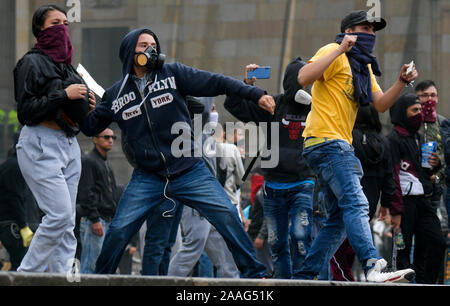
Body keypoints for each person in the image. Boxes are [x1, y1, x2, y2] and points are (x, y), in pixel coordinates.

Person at [81, 27, 275, 278]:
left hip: (188, 169)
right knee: (119, 230)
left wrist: (254, 93)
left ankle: (254, 274)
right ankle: (99, 279)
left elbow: (216, 81)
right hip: (148, 177)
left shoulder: (173, 74)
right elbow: (90, 127)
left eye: (154, 45)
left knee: (226, 214)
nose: (150, 50)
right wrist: (80, 103)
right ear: (130, 52)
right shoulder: (115, 94)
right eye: (143, 45)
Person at [295, 10, 418, 282]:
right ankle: (372, 264)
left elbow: (381, 104)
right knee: (356, 201)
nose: (371, 34)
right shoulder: (333, 51)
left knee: (338, 221)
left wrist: (402, 81)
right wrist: (339, 49)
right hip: (328, 142)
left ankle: (303, 276)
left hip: (333, 144)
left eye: (374, 31)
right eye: (366, 28)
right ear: (349, 31)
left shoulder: (363, 67)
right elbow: (303, 77)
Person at [13, 4, 95, 273]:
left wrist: (87, 106)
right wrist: (64, 95)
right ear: (40, 30)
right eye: (54, 23)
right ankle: (27, 274)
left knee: (67, 222)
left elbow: (78, 113)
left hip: (69, 144)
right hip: (40, 142)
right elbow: (25, 111)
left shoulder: (69, 69)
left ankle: (61, 277)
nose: (62, 28)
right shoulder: (30, 62)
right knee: (59, 215)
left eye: (65, 22)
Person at [224, 57, 315, 279]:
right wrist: (247, 85)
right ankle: (283, 282)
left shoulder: (317, 106)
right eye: (302, 79)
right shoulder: (274, 104)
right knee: (277, 243)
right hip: (273, 186)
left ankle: (301, 283)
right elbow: (235, 106)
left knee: (301, 237)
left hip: (303, 183)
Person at [168, 99, 240, 278]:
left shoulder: (206, 137)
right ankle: (168, 282)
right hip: (196, 202)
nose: (215, 113)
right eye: (212, 109)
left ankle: (232, 286)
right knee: (193, 246)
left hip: (210, 200)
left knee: (225, 256)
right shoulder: (192, 133)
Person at [329, 104, 396, 281]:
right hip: (371, 201)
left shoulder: (347, 138)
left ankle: (344, 279)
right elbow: (389, 176)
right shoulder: (384, 142)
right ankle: (350, 275)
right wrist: (386, 203)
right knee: (354, 242)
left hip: (346, 198)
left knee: (338, 247)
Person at [387, 93, 447, 284]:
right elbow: (392, 177)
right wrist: (395, 210)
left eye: (421, 110)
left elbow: (421, 170)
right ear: (402, 113)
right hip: (403, 205)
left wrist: (435, 165)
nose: (419, 114)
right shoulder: (393, 139)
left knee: (436, 242)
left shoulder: (419, 138)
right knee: (403, 255)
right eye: (414, 110)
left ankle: (426, 283)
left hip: (423, 201)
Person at [77, 128, 118, 274]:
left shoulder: (105, 162)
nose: (111, 140)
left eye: (113, 137)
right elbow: (86, 193)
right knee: (90, 266)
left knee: (102, 267)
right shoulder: (89, 161)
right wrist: (94, 219)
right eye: (106, 137)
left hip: (105, 220)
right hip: (94, 221)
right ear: (95, 139)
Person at [0, 144, 36, 271]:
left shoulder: (9, 166)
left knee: (17, 264)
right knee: (20, 265)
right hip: (13, 225)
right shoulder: (15, 166)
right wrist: (23, 226)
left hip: (9, 224)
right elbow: (14, 197)